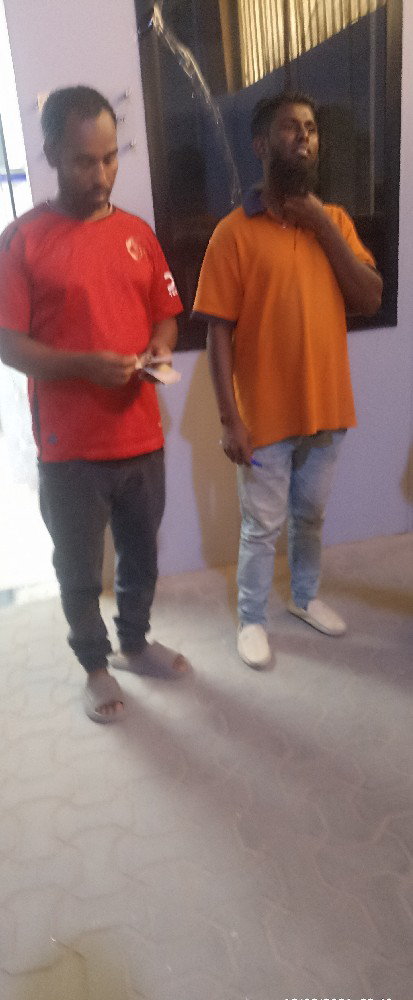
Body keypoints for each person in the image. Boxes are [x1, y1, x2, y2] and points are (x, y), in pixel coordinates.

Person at [0, 85, 189, 722]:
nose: (100, 176)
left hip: (142, 436)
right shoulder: (20, 241)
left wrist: (159, 346)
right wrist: (85, 367)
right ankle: (95, 667)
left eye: (109, 157)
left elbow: (165, 313)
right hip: (69, 449)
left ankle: (135, 643)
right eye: (83, 161)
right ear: (51, 154)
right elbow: (10, 347)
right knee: (78, 570)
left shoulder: (137, 235)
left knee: (142, 556)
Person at [193, 91, 382, 669]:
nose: (304, 136)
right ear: (261, 145)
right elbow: (217, 333)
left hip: (327, 409)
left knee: (310, 517)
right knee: (261, 527)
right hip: (264, 419)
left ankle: (304, 597)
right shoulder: (233, 233)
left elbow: (370, 297)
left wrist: (321, 223)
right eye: (289, 127)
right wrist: (229, 419)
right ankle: (251, 619)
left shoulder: (337, 223)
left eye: (311, 127)